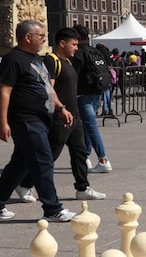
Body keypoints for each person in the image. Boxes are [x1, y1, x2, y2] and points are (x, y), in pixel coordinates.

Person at [0, 20, 76, 222]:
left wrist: (60, 107)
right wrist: (2, 122)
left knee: (20, 164)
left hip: (42, 118)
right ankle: (52, 209)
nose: (44, 39)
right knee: (43, 162)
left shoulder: (37, 59)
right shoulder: (13, 59)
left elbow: (47, 87)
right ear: (28, 37)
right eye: (41, 36)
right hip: (25, 119)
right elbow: (4, 91)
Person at [16, 27, 106, 203]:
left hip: (74, 115)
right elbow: (48, 89)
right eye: (74, 44)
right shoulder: (51, 61)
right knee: (51, 154)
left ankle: (82, 188)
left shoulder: (68, 62)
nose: (76, 48)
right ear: (62, 43)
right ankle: (25, 184)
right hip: (60, 116)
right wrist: (61, 108)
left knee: (80, 152)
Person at [72, 25, 113, 173]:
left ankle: (103, 159)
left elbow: (74, 74)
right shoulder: (95, 51)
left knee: (91, 127)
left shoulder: (78, 54)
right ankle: (86, 156)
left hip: (83, 93)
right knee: (87, 126)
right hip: (96, 92)